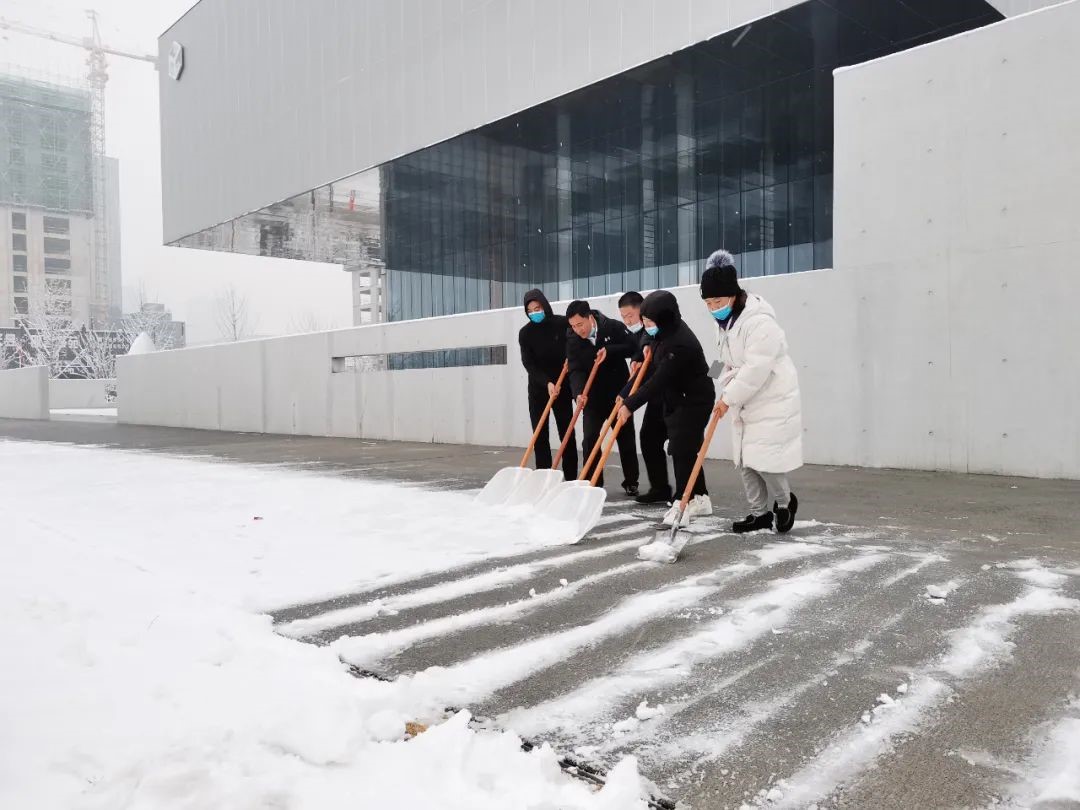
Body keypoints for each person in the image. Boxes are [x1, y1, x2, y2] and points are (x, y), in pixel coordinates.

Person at [701, 249, 802, 534]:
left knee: (765, 459)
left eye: (718, 301)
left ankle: (785, 502)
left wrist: (727, 398)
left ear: (733, 295)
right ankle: (759, 514)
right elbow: (723, 359)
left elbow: (756, 369)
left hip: (770, 397)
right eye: (708, 303)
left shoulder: (759, 322)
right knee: (745, 460)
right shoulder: (724, 324)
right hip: (743, 398)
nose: (713, 308)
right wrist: (711, 380)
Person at [617, 290, 715, 524]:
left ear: (663, 318)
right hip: (675, 396)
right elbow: (649, 363)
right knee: (676, 445)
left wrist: (630, 405)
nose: (646, 327)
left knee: (681, 449)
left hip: (693, 399)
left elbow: (658, 379)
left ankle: (683, 503)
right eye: (645, 322)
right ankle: (700, 498)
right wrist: (625, 394)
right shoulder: (663, 332)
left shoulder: (679, 343)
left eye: (649, 322)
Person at [565, 299, 640, 495]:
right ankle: (593, 482)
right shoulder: (573, 340)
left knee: (625, 438)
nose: (578, 330)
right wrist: (578, 393)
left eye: (580, 324)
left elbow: (633, 347)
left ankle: (631, 481)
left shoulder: (612, 327)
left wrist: (610, 350)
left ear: (589, 317)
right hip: (593, 398)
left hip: (618, 395)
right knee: (590, 439)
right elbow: (575, 369)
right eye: (573, 326)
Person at [618, 291, 671, 504]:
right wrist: (637, 357)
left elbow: (652, 371)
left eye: (630, 315)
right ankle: (660, 488)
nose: (627, 321)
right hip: (657, 394)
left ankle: (694, 493)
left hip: (677, 395)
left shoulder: (667, 330)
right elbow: (642, 346)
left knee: (681, 447)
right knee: (649, 437)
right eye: (623, 317)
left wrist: (626, 398)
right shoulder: (645, 331)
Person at [518, 289, 577, 480]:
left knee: (566, 433)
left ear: (544, 305)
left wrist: (571, 360)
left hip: (562, 386)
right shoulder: (525, 333)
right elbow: (529, 364)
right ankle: (543, 477)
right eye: (530, 311)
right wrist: (547, 383)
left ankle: (571, 477)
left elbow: (573, 345)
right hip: (539, 388)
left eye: (537, 308)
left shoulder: (562, 324)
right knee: (540, 434)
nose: (534, 313)